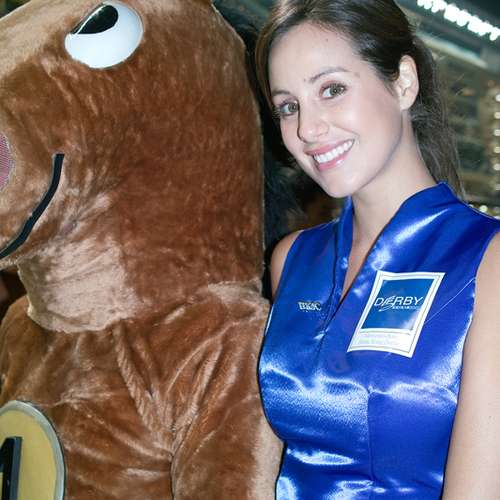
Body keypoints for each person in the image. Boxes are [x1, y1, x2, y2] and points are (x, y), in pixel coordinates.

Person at [255, 0, 500, 498]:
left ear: (403, 83)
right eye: (289, 106)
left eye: (332, 89)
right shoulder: (292, 260)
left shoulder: (487, 261)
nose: (307, 129)